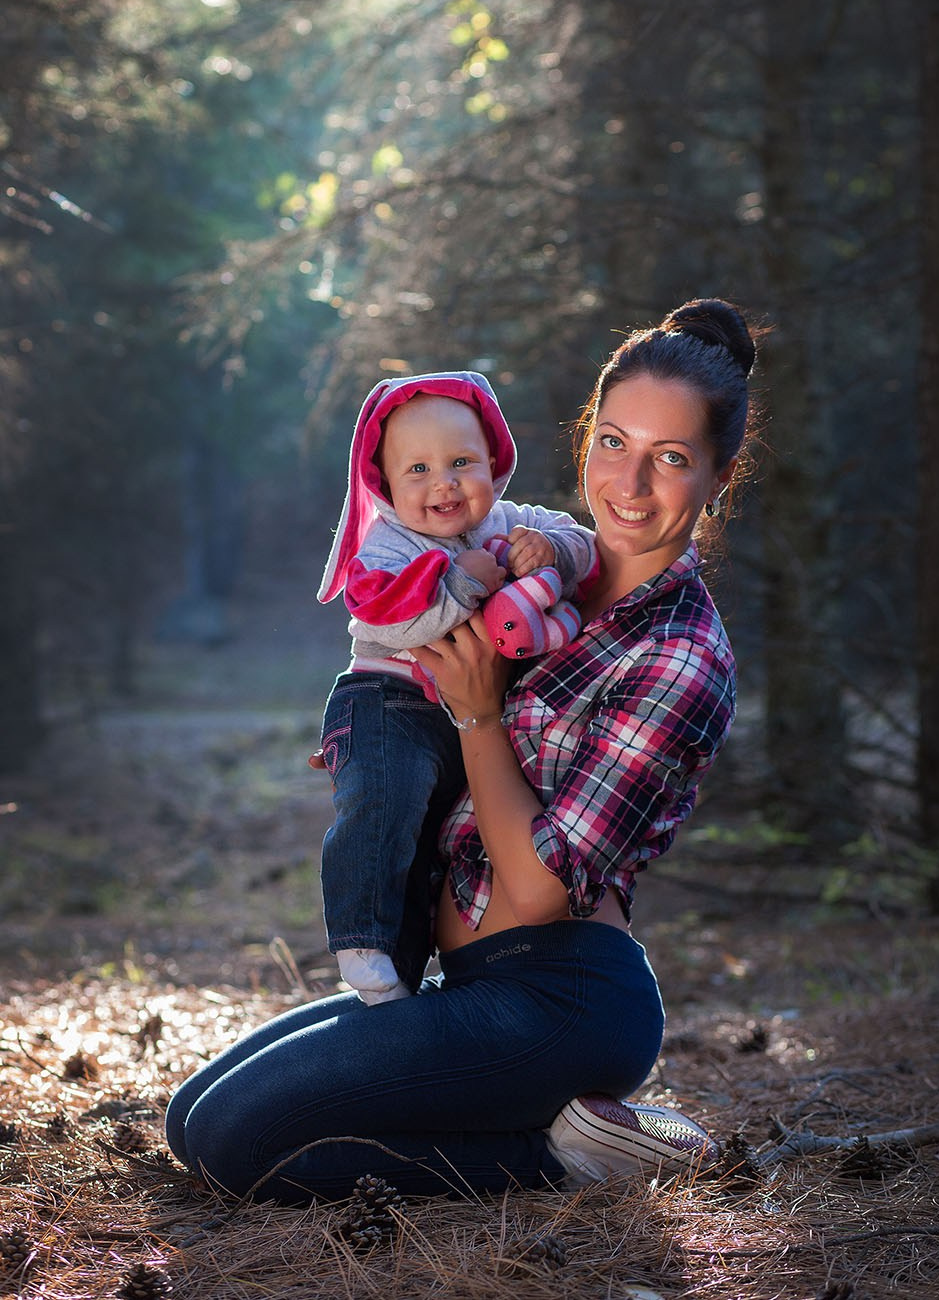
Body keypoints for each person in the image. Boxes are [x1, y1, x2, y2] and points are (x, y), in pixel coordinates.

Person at [165, 298, 758, 1204]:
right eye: (613, 442)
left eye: (671, 458)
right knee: (190, 1112)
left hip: (560, 1000)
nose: (629, 484)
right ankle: (532, 1123)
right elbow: (401, 632)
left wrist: (478, 717)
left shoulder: (681, 655)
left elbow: (541, 887)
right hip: (466, 980)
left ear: (719, 475)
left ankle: (564, 1157)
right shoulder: (539, 562)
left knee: (231, 1145)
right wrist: (376, 746)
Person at [312, 370, 597, 1004]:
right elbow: (390, 617)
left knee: (430, 847)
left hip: (461, 713)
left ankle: (402, 981)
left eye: (462, 461)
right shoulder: (385, 544)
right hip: (387, 703)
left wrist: (551, 551)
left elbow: (588, 545)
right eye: (417, 469)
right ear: (385, 483)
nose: (443, 481)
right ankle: (361, 937)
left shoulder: (511, 518)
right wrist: (464, 582)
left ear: (495, 466)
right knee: (386, 804)